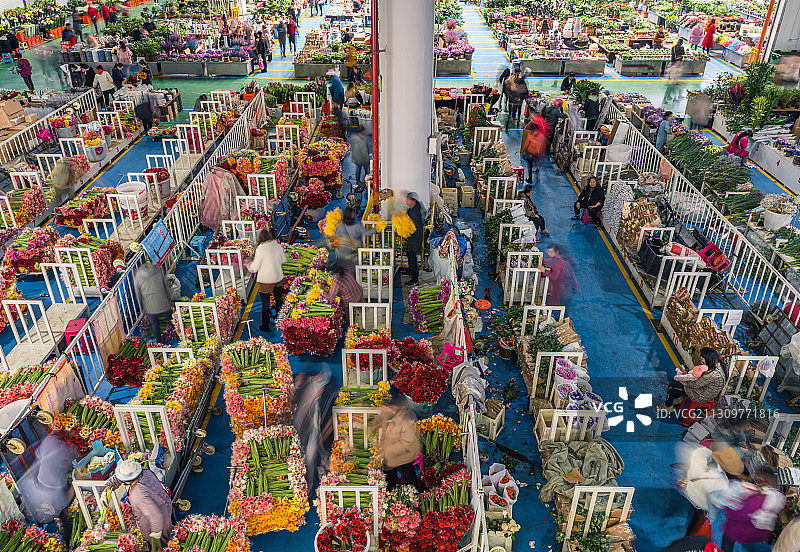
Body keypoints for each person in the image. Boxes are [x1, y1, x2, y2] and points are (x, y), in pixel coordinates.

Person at [103, 460, 173, 549]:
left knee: (163, 545)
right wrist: (107, 489)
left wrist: (156, 533)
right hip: (163, 504)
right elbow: (119, 478)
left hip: (158, 521)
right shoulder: (144, 471)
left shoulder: (138, 493)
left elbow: (155, 516)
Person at [371, 388, 422, 491]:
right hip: (390, 456)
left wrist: (388, 450)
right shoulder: (390, 412)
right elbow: (380, 420)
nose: (383, 409)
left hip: (405, 454)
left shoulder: (406, 419)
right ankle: (391, 493)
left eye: (385, 408)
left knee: (408, 475)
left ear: (393, 407)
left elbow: (408, 442)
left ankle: (414, 493)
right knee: (389, 477)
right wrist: (372, 428)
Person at [659, 347, 727, 412]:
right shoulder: (718, 364)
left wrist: (683, 380)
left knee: (672, 386)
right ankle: (677, 398)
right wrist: (686, 374)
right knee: (677, 380)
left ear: (708, 359)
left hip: (700, 394)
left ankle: (667, 407)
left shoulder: (712, 375)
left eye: (703, 359)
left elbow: (695, 385)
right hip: (704, 388)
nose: (702, 360)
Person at [246, 229, 286, 332]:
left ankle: (266, 326)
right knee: (279, 300)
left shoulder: (260, 249)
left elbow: (254, 268)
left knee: (265, 304)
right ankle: (280, 319)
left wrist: (248, 265)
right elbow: (283, 260)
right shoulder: (277, 245)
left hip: (266, 281)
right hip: (278, 278)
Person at [133, 261, 173, 341]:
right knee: (171, 320)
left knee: (155, 325)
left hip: (150, 306)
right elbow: (166, 287)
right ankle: (178, 336)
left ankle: (159, 343)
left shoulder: (138, 275)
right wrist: (170, 301)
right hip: (163, 302)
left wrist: (143, 310)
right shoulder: (158, 271)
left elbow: (138, 294)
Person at [405, 192, 424, 286]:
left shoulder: (415, 212)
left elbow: (415, 227)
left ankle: (415, 279)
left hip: (415, 238)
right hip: (412, 237)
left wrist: (406, 233)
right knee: (408, 253)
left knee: (412, 257)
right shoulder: (412, 208)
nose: (405, 201)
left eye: (407, 199)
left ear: (412, 200)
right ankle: (411, 271)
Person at [520, 119, 545, 184]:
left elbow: (526, 144)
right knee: (536, 162)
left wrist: (524, 151)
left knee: (529, 167)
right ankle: (537, 172)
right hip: (537, 153)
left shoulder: (531, 135)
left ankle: (530, 179)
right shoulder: (541, 135)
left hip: (531, 153)